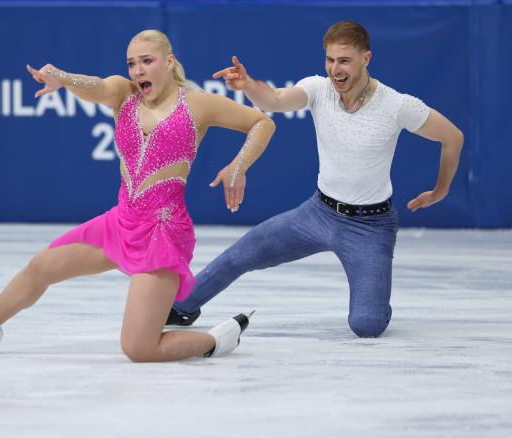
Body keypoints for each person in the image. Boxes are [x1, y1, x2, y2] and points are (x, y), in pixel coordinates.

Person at [0, 29, 275, 360]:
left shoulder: (198, 104)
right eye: (131, 63)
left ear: (169, 62)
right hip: (122, 222)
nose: (138, 70)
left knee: (139, 348)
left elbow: (263, 123)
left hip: (162, 232)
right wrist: (63, 78)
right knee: (41, 266)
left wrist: (238, 165)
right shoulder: (123, 93)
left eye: (147, 61)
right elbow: (96, 86)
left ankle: (214, 341)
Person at [167, 21, 464, 337]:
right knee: (241, 254)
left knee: (366, 325)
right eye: (330, 60)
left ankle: (376, 297)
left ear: (366, 58)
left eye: (344, 61)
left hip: (370, 227)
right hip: (317, 214)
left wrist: (440, 190)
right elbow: (275, 100)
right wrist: (248, 84)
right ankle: (182, 307)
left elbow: (452, 137)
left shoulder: (397, 105)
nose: (335, 69)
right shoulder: (319, 89)